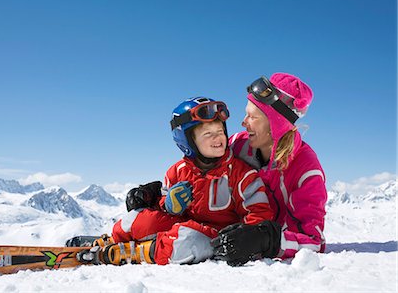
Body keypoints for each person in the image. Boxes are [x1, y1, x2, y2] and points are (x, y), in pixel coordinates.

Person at [68, 97, 274, 265]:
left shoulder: (241, 175)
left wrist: (248, 237)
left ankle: (133, 253)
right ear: (188, 142)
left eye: (220, 131)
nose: (217, 138)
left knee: (187, 242)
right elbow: (163, 210)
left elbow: (259, 214)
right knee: (141, 218)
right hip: (182, 225)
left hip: (216, 238)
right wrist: (168, 205)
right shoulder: (177, 171)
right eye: (208, 134)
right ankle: (108, 241)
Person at [210, 73, 328, 266]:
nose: (243, 122)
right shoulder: (238, 145)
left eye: (252, 116)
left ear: (276, 124)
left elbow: (314, 242)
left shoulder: (306, 169)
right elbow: (202, 169)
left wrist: (265, 240)